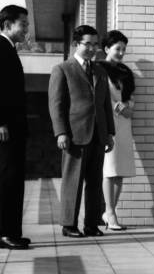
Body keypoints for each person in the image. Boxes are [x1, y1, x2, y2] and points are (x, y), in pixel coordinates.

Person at [48, 25, 115, 238]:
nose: (93, 48)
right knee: (73, 181)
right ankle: (69, 225)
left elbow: (105, 104)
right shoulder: (62, 69)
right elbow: (56, 104)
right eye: (88, 44)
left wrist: (110, 133)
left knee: (95, 182)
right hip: (74, 135)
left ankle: (91, 224)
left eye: (96, 44)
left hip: (98, 134)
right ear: (76, 44)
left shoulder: (100, 70)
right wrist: (61, 132)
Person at [0, 5, 31, 249]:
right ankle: (4, 233)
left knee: (5, 181)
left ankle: (1, 232)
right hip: (4, 129)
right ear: (7, 24)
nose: (26, 29)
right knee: (8, 180)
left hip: (11, 128)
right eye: (23, 24)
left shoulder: (8, 50)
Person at [97, 30, 136, 230]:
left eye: (124, 49)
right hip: (107, 124)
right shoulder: (98, 69)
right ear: (106, 49)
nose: (121, 52)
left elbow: (130, 101)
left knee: (120, 172)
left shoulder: (126, 73)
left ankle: (110, 211)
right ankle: (110, 212)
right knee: (109, 170)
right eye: (117, 48)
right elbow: (98, 96)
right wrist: (115, 106)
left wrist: (127, 108)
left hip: (124, 126)